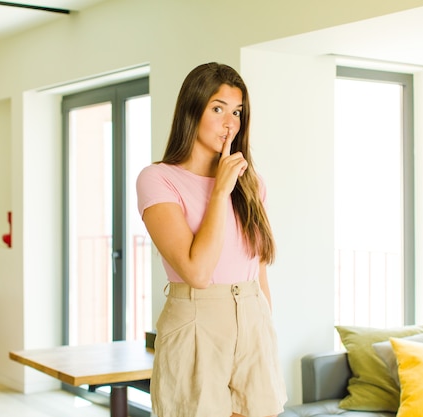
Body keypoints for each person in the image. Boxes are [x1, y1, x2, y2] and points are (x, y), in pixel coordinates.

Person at [136, 62, 287, 417]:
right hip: (195, 322)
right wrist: (220, 191)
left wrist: (264, 326)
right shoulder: (158, 179)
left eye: (237, 112)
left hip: (253, 320)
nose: (230, 122)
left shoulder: (252, 183)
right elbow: (198, 272)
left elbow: (258, 269)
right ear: (192, 109)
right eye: (217, 108)